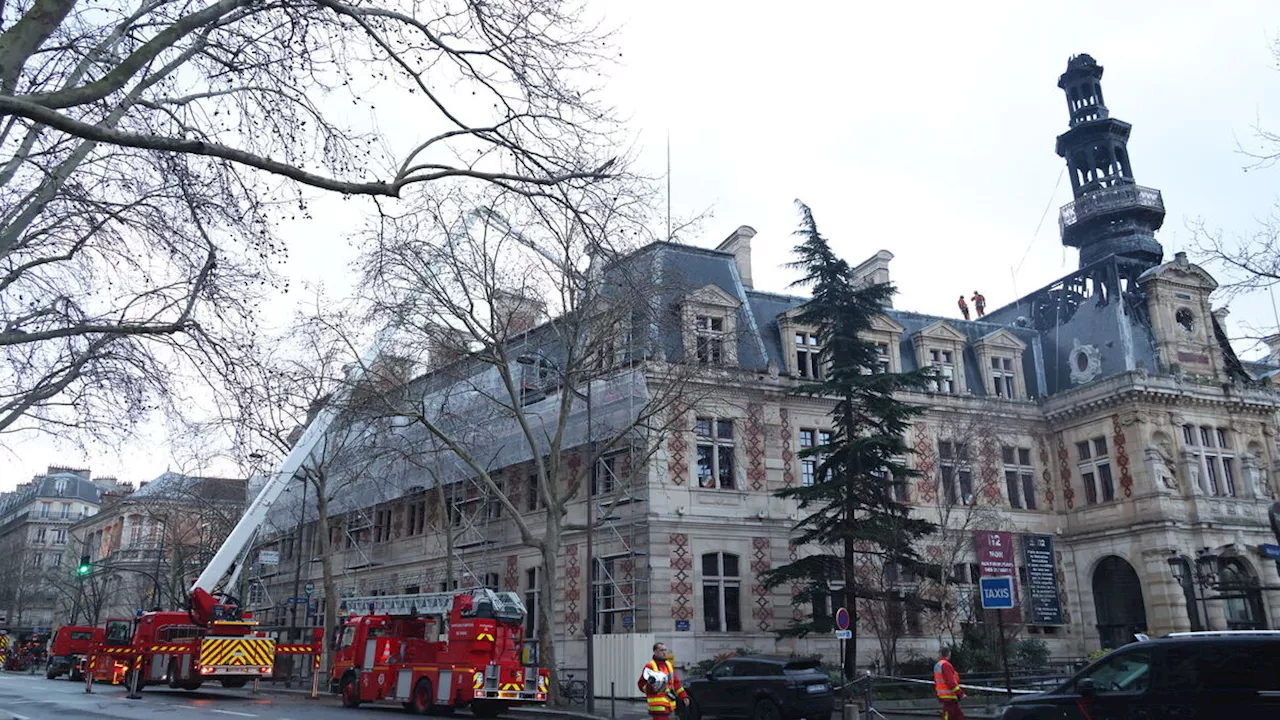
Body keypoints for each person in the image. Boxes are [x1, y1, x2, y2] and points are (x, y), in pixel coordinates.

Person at [638, 641, 689, 720]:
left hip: (669, 705)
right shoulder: (650, 666)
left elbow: (676, 683)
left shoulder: (669, 665)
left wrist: (683, 696)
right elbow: (641, 685)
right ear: (655, 652)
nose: (664, 652)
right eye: (661, 650)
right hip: (657, 706)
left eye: (665, 650)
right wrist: (650, 687)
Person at [934, 646, 965, 720]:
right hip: (949, 696)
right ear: (949, 654)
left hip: (947, 696)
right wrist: (960, 693)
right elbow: (951, 682)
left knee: (958, 716)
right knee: (950, 716)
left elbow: (938, 681)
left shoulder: (938, 665)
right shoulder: (946, 665)